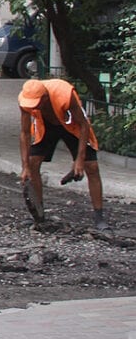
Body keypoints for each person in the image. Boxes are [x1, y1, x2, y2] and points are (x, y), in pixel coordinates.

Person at [18, 78, 109, 230]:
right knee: (33, 164)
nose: (33, 107)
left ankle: (99, 217)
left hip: (71, 125)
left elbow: (83, 125)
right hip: (46, 126)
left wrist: (79, 159)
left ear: (45, 98)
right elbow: (25, 133)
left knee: (91, 167)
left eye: (36, 103)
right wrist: (25, 166)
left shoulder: (65, 94)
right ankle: (39, 215)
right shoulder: (25, 100)